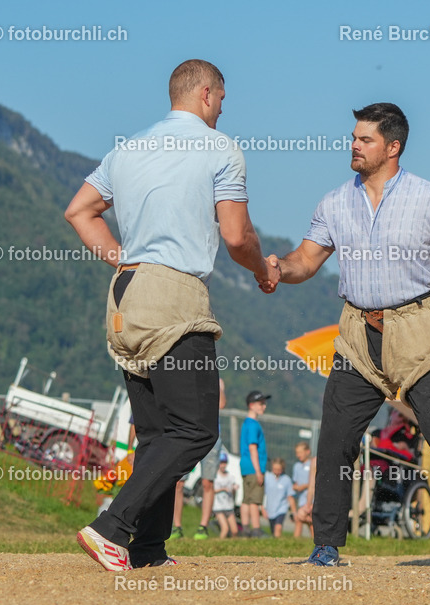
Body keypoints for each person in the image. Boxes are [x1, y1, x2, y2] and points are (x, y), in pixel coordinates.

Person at [268, 103, 430, 566]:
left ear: (393, 147)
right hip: (358, 332)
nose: (353, 145)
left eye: (364, 139)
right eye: (353, 137)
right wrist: (277, 268)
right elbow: (305, 261)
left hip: (420, 330)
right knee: (337, 437)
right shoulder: (334, 202)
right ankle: (325, 546)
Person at [65, 58, 277, 570]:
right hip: (173, 297)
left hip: (125, 295)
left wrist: (123, 258)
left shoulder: (128, 147)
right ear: (207, 94)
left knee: (157, 435)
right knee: (197, 430)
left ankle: (149, 548)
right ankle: (110, 527)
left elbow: (79, 211)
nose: (223, 109)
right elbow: (235, 235)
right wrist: (262, 269)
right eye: (223, 99)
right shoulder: (220, 148)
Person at [172, 377, 226, 540]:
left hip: (211, 435)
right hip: (189, 433)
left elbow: (221, 404)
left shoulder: (216, 380)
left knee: (207, 482)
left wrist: (217, 383)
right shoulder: (186, 379)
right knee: (179, 483)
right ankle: (176, 526)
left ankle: (203, 526)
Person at [240, 390, 271, 537]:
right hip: (254, 467)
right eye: (261, 404)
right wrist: (259, 471)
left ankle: (245, 528)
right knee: (255, 500)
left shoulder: (246, 423)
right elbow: (253, 448)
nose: (264, 406)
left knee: (246, 499)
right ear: (251, 405)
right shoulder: (254, 425)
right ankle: (256, 529)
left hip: (245, 466)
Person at [264, 457, 294, 538]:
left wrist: (294, 512)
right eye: (275, 469)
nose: (276, 471)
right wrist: (263, 509)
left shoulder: (286, 480)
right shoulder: (267, 477)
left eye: (278, 469)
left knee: (278, 527)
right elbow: (264, 495)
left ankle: (278, 542)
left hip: (281, 508)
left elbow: (290, 497)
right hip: (270, 509)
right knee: (273, 530)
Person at [212, 453, 238, 538]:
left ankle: (234, 548)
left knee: (235, 530)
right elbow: (212, 491)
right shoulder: (215, 477)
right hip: (219, 507)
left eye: (224, 463)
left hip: (229, 506)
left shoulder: (230, 476)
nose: (223, 465)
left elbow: (233, 488)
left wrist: (234, 488)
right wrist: (223, 489)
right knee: (225, 529)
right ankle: (219, 546)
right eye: (221, 463)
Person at [292, 441, 314, 538]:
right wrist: (296, 487)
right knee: (299, 520)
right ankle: (296, 542)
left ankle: (317, 543)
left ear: (307, 451)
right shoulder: (296, 466)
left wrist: (304, 486)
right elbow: (296, 482)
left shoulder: (312, 464)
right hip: (301, 498)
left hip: (311, 498)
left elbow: (313, 483)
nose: (298, 455)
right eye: (297, 453)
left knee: (307, 520)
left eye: (300, 452)